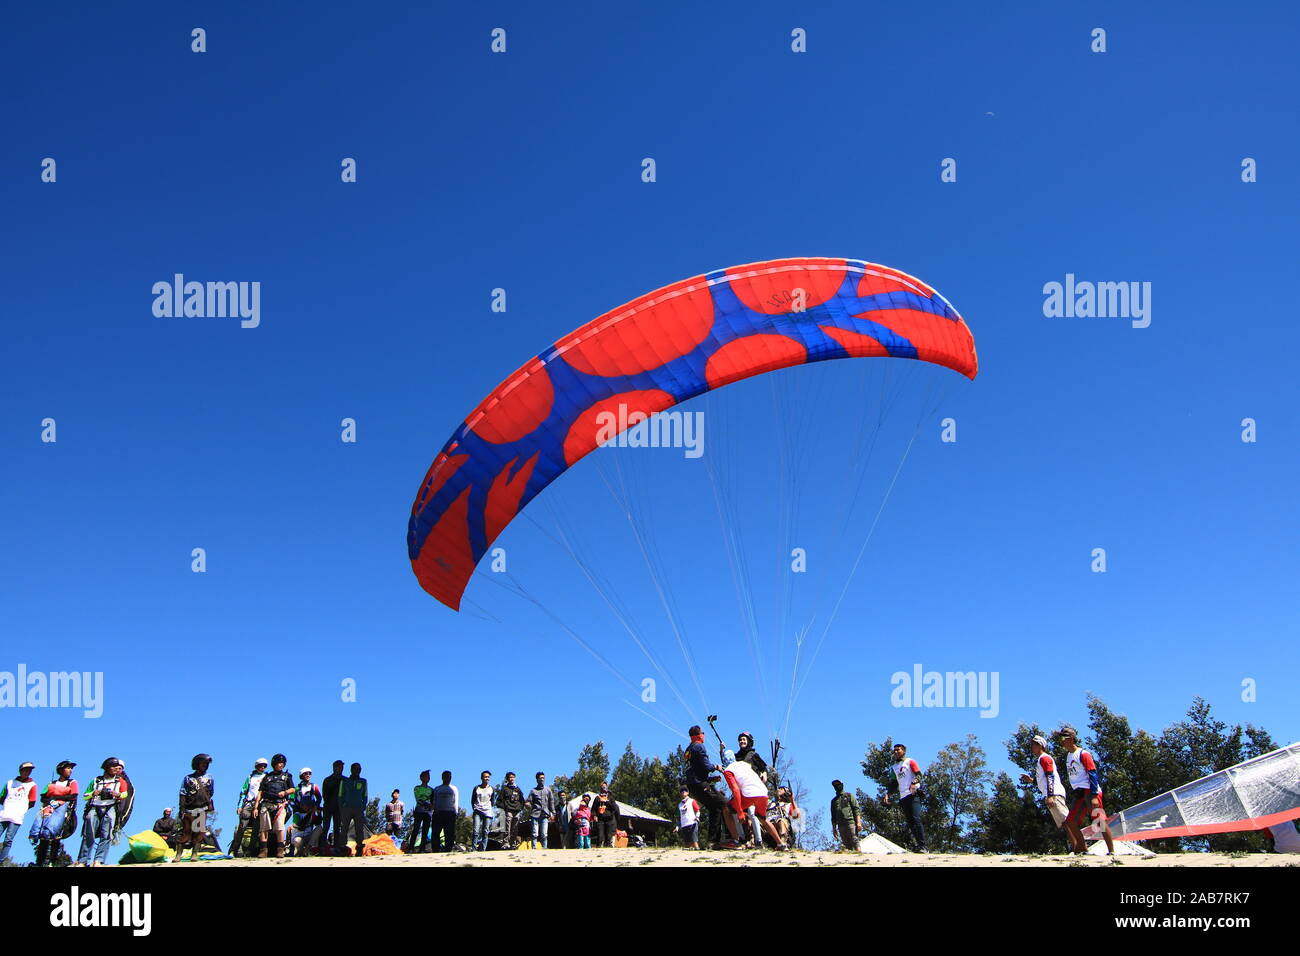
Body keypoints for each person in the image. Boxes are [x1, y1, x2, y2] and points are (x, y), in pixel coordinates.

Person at [1060, 727, 1115, 855]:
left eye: (1064, 738)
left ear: (1071, 739)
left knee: (1098, 820)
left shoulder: (1083, 754)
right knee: (1070, 821)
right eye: (1060, 738)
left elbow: (1092, 773)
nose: (1061, 741)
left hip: (1090, 790)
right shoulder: (1068, 756)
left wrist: (1094, 795)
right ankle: (1083, 850)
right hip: (1079, 793)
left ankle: (1111, 851)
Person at [1019, 734, 1076, 852]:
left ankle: (1079, 847)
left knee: (1068, 822)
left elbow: (1050, 776)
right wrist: (1032, 781)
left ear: (1040, 746)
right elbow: (1044, 779)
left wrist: (1050, 796)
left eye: (1034, 745)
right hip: (1051, 793)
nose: (1032, 747)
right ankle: (1076, 848)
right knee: (1065, 824)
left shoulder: (1044, 758)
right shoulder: (1041, 759)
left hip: (1054, 794)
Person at [685, 725, 739, 847]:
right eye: (703, 733)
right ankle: (734, 838)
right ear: (699, 735)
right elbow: (707, 766)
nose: (704, 735)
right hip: (699, 784)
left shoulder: (688, 749)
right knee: (725, 803)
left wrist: (710, 779)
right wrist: (717, 767)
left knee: (715, 808)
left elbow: (695, 770)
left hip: (692, 786)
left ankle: (713, 842)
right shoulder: (699, 746)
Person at [722, 752, 785, 849]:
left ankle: (735, 841)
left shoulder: (728, 771)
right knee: (762, 818)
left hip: (749, 793)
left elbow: (736, 790)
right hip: (763, 792)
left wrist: (740, 811)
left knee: (727, 809)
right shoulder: (744, 764)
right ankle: (780, 844)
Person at [78, 757, 130, 866]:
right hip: (95, 806)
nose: (116, 769)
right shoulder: (96, 780)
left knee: (106, 834)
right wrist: (93, 793)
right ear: (107, 768)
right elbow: (85, 796)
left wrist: (118, 795)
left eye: (117, 767)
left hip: (110, 807)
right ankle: (83, 860)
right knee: (89, 833)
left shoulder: (120, 781)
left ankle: (98, 860)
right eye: (113, 767)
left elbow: (125, 794)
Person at [31, 760, 78, 866]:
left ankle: (52, 862)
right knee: (44, 837)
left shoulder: (72, 782)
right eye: (68, 768)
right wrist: (50, 802)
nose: (70, 770)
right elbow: (43, 797)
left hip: (64, 811)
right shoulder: (51, 784)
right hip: (49, 810)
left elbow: (73, 796)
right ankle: (39, 862)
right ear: (61, 770)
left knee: (56, 837)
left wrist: (56, 798)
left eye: (71, 768)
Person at [883, 744, 927, 851]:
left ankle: (923, 845)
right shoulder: (894, 768)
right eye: (894, 751)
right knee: (910, 822)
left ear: (904, 751)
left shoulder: (910, 761)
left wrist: (914, 783)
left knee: (916, 819)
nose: (896, 752)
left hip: (913, 794)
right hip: (903, 797)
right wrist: (888, 794)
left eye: (898, 750)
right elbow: (893, 783)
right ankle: (919, 846)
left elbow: (919, 775)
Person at [173, 754, 215, 862]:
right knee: (186, 831)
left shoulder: (209, 778)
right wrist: (181, 808)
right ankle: (178, 855)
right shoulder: (188, 778)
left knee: (199, 831)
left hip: (202, 809)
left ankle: (194, 854)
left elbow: (211, 792)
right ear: (197, 764)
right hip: (189, 809)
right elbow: (182, 793)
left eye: (206, 764)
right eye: (203, 764)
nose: (205, 766)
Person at [258, 754, 296, 858]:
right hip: (266, 804)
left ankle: (280, 850)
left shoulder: (287, 776)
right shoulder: (267, 777)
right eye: (279, 763)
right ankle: (263, 850)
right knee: (264, 828)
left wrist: (285, 792)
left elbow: (293, 789)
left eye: (282, 763)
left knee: (280, 827)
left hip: (280, 804)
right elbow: (260, 792)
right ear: (274, 764)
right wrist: (256, 805)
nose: (281, 765)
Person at [230, 758, 268, 857]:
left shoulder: (267, 777)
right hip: (248, 803)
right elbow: (243, 791)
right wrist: (239, 806)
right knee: (242, 826)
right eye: (260, 765)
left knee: (256, 829)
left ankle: (250, 851)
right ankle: (237, 849)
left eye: (264, 765)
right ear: (256, 766)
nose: (262, 767)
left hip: (260, 804)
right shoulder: (250, 777)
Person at [0, 762, 37, 864]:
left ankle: (1, 860)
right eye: (25, 769)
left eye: (29, 770)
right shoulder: (10, 783)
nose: (27, 771)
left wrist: (21, 809)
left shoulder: (32, 785)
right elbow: (1, 797)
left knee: (8, 840)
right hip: (4, 815)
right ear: (21, 770)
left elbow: (32, 802)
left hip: (17, 817)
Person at [334, 762, 368, 855]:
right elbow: (340, 795)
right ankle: (342, 847)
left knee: (359, 828)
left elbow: (365, 795)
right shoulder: (345, 781)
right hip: (347, 808)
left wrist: (363, 806)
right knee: (344, 828)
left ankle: (359, 847)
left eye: (359, 769)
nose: (357, 771)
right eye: (355, 769)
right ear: (351, 770)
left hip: (358, 808)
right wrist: (342, 807)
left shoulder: (363, 781)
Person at [289, 768, 323, 856]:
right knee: (297, 841)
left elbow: (319, 797)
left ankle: (309, 848)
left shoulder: (314, 786)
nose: (308, 775)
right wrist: (300, 807)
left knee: (319, 828)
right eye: (305, 773)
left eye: (309, 773)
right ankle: (299, 851)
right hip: (299, 836)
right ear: (301, 776)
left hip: (309, 835)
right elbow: (291, 800)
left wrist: (315, 807)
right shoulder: (296, 788)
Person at [320, 759, 346, 850]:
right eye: (339, 767)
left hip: (339, 807)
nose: (341, 768)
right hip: (328, 806)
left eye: (342, 767)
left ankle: (337, 846)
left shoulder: (345, 780)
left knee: (337, 827)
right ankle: (322, 846)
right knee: (326, 827)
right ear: (334, 768)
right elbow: (324, 794)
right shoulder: (327, 780)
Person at [497, 771, 525, 850]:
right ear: (507, 779)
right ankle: (506, 843)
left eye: (513, 777)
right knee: (507, 828)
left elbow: (522, 800)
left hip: (517, 811)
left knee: (515, 829)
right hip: (508, 810)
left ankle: (513, 844)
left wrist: (520, 808)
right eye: (510, 777)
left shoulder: (518, 789)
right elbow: (499, 800)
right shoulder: (505, 789)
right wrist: (505, 807)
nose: (512, 779)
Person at [830, 780, 861, 851]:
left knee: (855, 840)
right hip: (841, 825)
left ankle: (859, 855)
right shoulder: (834, 801)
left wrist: (858, 822)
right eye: (835, 785)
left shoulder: (849, 796)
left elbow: (856, 809)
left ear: (842, 785)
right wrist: (834, 828)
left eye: (838, 784)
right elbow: (833, 816)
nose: (837, 786)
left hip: (850, 823)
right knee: (846, 844)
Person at [431, 771, 458, 852]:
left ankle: (448, 849)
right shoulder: (437, 789)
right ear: (442, 777)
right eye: (446, 776)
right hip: (438, 813)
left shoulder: (454, 788)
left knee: (449, 833)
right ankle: (435, 849)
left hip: (450, 813)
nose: (448, 778)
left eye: (449, 777)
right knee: (436, 832)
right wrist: (435, 810)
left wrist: (456, 812)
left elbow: (456, 801)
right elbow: (434, 800)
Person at [528, 772, 555, 850]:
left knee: (544, 833)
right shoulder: (533, 791)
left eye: (543, 778)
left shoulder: (548, 790)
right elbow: (528, 801)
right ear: (537, 779)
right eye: (540, 778)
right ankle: (534, 847)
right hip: (535, 814)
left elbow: (551, 802)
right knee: (534, 833)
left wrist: (553, 812)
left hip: (545, 814)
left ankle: (544, 847)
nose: (542, 779)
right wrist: (528, 805)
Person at [408, 770, 434, 852]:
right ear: (421, 778)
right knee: (416, 829)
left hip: (428, 812)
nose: (428, 778)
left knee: (425, 830)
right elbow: (418, 799)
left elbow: (433, 801)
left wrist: (431, 806)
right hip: (419, 811)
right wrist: (427, 803)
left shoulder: (431, 789)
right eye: (426, 776)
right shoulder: (417, 788)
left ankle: (422, 848)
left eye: (429, 776)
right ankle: (411, 848)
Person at [470, 770, 494, 851]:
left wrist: (489, 808)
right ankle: (473, 848)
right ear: (481, 778)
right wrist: (475, 808)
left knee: (485, 831)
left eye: (488, 777)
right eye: (485, 777)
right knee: (476, 830)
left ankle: (483, 849)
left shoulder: (491, 789)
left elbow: (492, 801)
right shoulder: (477, 788)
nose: (487, 778)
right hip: (478, 810)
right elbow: (473, 800)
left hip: (487, 812)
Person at [590, 783, 620, 848]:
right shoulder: (597, 798)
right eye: (602, 787)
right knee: (600, 835)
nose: (603, 788)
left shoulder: (611, 797)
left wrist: (607, 801)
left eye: (605, 787)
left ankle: (608, 848)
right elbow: (593, 809)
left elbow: (615, 808)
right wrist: (594, 816)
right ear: (600, 788)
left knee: (609, 835)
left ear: (607, 788)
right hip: (600, 819)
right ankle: (599, 847)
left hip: (609, 819)